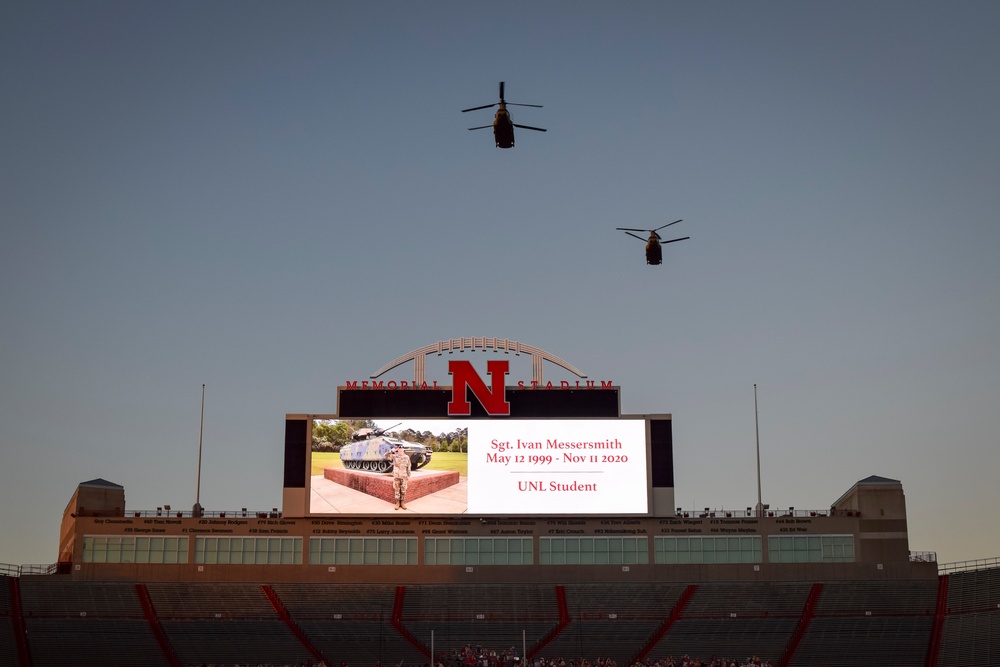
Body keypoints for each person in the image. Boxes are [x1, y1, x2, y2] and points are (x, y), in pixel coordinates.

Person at [385, 444, 411, 509]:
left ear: (403, 450)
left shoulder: (407, 457)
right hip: (396, 477)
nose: (400, 452)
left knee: (403, 490)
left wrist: (408, 475)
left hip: (404, 477)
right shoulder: (394, 457)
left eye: (401, 450)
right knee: (397, 490)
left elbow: (409, 466)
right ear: (398, 450)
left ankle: (402, 502)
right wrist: (391, 451)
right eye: (399, 450)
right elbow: (386, 455)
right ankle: (397, 503)